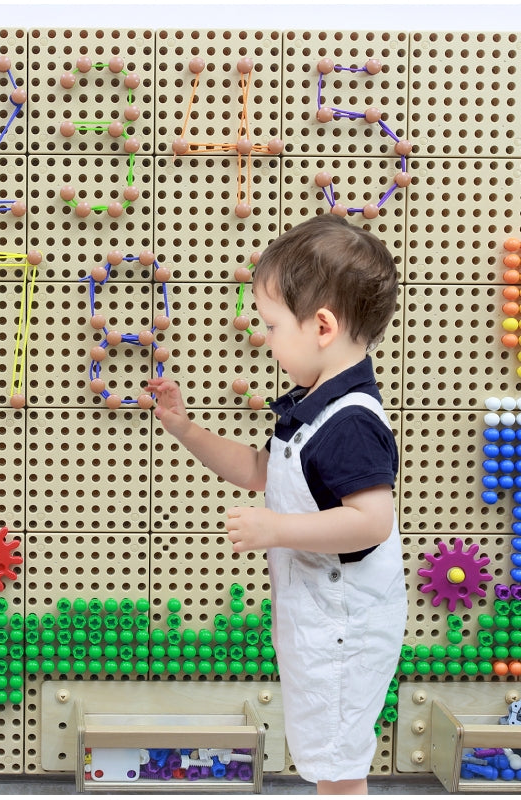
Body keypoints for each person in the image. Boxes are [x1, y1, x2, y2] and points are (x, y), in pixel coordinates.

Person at [147, 214, 407, 795]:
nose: (263, 339)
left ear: (321, 327)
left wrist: (278, 529)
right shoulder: (314, 405)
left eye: (270, 325)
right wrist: (185, 429)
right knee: (325, 752)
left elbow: (371, 520)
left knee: (336, 763)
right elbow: (263, 470)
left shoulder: (352, 422)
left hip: (346, 626)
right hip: (319, 618)